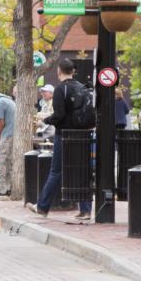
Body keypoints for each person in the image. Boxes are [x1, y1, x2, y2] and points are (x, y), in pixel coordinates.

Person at [28, 59, 92, 220]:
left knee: (56, 171)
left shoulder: (60, 89)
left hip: (63, 134)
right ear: (73, 71)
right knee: (82, 170)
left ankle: (42, 206)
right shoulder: (82, 88)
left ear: (59, 72)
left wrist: (46, 120)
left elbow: (59, 115)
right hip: (82, 135)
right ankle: (85, 210)